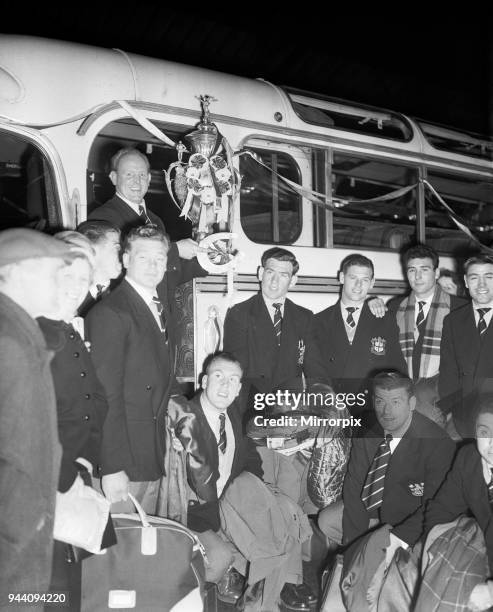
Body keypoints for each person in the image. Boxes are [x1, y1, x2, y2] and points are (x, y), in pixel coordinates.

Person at [86, 225, 212, 515]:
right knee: (123, 551)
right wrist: (112, 467)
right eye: (144, 258)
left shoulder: (156, 308)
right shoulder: (111, 313)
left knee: (144, 548)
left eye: (160, 258)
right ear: (126, 260)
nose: (154, 266)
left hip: (148, 452)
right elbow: (105, 396)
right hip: (123, 461)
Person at [186, 352, 315, 612]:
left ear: (239, 389)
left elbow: (247, 457)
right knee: (224, 556)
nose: (225, 385)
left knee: (285, 515)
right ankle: (251, 593)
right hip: (195, 514)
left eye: (233, 380)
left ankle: (267, 598)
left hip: (228, 500)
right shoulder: (185, 419)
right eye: (218, 377)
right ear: (203, 381)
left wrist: (265, 493)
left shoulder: (231, 412)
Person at [37, 231, 111, 612]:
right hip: (43, 490)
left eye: (83, 280)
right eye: (67, 277)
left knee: (71, 590)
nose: (75, 289)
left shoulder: (67, 329)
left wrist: (86, 459)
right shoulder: (31, 334)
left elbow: (93, 400)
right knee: (44, 592)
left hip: (73, 477)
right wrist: (67, 474)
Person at [318, 371, 455, 572]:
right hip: (375, 511)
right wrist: (353, 549)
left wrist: (394, 541)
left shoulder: (437, 444)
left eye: (396, 402)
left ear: (412, 403)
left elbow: (434, 508)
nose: (386, 411)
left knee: (405, 562)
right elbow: (355, 488)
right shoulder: (368, 429)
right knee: (328, 520)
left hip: (411, 520)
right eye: (380, 401)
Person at [0, 228, 72, 607]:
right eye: (52, 273)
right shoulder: (9, 341)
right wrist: (24, 517)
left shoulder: (18, 327)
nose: (61, 283)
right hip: (15, 535)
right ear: (12, 272)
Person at [87, 147, 207, 312]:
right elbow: (120, 263)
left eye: (142, 175)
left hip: (160, 315)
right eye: (129, 175)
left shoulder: (155, 219)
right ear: (114, 178)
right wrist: (177, 249)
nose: (137, 181)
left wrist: (207, 260)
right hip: (128, 313)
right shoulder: (103, 217)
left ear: (149, 178)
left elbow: (168, 274)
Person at [223, 246, 327, 411]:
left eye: (283, 275)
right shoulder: (239, 313)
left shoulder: (305, 317)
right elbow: (235, 371)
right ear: (260, 273)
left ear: (293, 281)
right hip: (252, 409)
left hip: (292, 409)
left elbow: (316, 370)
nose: (274, 281)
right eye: (270, 272)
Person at [420, 394, 493, 611]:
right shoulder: (469, 459)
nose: (491, 444)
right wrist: (432, 552)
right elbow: (441, 509)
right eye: (484, 432)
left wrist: (490, 591)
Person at [314, 254, 406, 424]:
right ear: (342, 278)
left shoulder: (385, 319)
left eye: (364, 280)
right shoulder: (320, 321)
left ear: (372, 283)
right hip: (334, 409)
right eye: (353, 278)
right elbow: (316, 371)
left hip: (373, 409)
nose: (358, 285)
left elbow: (397, 365)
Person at [390, 244, 466, 426]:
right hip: (404, 391)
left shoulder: (460, 307)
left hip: (443, 394)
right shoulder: (394, 308)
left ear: (437, 273)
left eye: (424, 270)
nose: (417, 276)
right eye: (412, 270)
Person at [439, 253, 493, 438]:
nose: (482, 284)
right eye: (474, 277)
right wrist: (452, 411)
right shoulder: (453, 321)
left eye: (489, 277)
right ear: (466, 281)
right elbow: (448, 371)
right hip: (465, 418)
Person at [76, 220, 122, 317]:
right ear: (92, 251)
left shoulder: (124, 294)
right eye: (116, 248)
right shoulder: (72, 296)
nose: (122, 255)